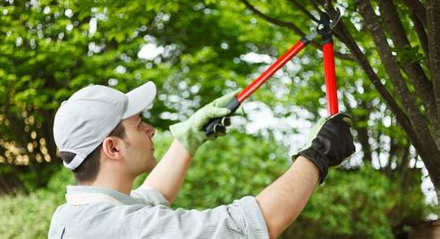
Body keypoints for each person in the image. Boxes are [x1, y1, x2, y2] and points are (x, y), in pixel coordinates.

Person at [48, 81, 355, 238]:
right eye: (139, 125)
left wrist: (189, 138)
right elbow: (248, 228)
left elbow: (153, 197)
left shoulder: (74, 217)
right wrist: (318, 155)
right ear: (113, 148)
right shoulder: (124, 230)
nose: (151, 129)